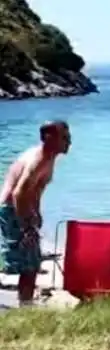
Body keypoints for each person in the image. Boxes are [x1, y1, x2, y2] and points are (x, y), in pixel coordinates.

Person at [0, 120, 71, 306]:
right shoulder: (38, 158)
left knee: (29, 261)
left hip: (22, 209)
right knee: (29, 263)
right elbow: (18, 193)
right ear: (49, 138)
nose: (69, 141)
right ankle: (26, 307)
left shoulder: (48, 157)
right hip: (13, 209)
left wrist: (36, 213)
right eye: (64, 137)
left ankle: (26, 304)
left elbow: (35, 189)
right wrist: (26, 226)